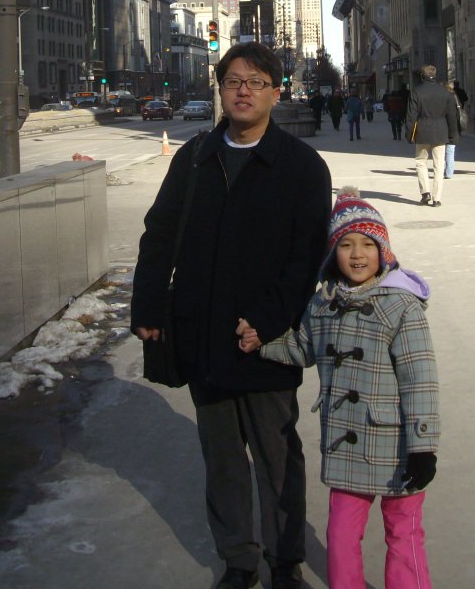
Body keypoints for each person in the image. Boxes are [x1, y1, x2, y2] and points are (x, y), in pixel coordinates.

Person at [131, 43, 333, 589]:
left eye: (256, 81)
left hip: (266, 342)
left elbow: (307, 255)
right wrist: (148, 303)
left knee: (276, 458)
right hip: (202, 334)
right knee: (221, 457)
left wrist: (268, 320)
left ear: (275, 91)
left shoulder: (301, 165)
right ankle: (239, 561)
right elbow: (161, 233)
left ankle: (284, 561)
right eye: (233, 81)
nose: (243, 90)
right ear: (220, 89)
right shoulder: (194, 156)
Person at [238, 188, 439, 589]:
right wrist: (262, 346)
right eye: (346, 245)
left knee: (404, 532)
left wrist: (423, 447)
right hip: (347, 447)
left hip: (398, 446)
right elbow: (302, 348)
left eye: (368, 243)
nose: (358, 254)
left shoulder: (402, 306)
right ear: (333, 253)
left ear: (384, 250)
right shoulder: (322, 304)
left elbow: (421, 380)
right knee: (342, 536)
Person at [406, 65, 458, 208]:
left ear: (422, 76)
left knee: (421, 162)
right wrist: (453, 135)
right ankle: (437, 198)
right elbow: (452, 116)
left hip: (422, 131)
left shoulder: (416, 92)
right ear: (435, 76)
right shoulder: (445, 93)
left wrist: (409, 134)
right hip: (441, 131)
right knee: (439, 164)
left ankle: (425, 192)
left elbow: (411, 116)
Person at [443, 81, 464, 179]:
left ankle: (444, 170)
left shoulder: (441, 99)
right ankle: (449, 172)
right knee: (450, 150)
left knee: (442, 150)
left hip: (443, 127)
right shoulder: (455, 98)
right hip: (454, 127)